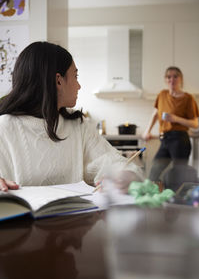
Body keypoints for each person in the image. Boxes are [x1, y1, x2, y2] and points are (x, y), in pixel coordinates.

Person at [0, 41, 143, 192]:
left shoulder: (77, 125)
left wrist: (127, 175)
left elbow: (113, 162)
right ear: (58, 81)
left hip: (75, 216)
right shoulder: (4, 127)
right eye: (75, 76)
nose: (79, 85)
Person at [142, 66, 199, 182]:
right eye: (169, 77)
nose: (171, 79)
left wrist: (176, 118)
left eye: (175, 76)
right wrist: (147, 131)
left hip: (180, 140)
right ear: (165, 79)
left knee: (178, 177)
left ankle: (177, 200)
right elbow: (155, 114)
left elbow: (195, 124)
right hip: (165, 140)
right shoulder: (162, 95)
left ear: (181, 79)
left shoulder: (188, 98)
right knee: (153, 173)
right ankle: (156, 199)